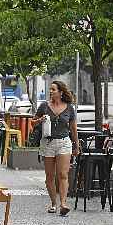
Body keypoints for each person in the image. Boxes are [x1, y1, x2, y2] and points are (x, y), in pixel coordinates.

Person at [32, 81, 79, 216]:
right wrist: (40, 120)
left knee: (63, 175)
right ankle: (53, 203)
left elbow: (73, 128)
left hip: (64, 143)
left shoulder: (69, 108)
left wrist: (76, 145)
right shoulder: (44, 106)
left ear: (61, 92)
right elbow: (33, 123)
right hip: (47, 144)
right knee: (49, 177)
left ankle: (63, 203)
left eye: (53, 89)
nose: (51, 91)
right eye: (50, 89)